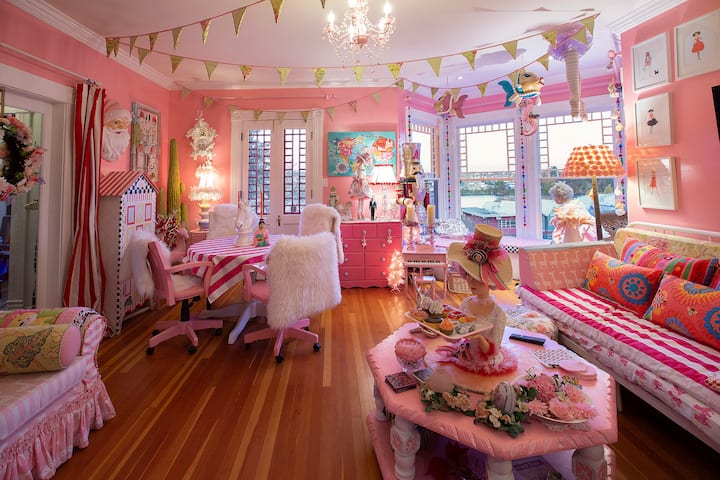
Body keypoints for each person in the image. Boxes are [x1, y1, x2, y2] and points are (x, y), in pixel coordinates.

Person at [436, 224, 517, 375]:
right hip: (465, 357)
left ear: (490, 281)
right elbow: (456, 336)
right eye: (468, 275)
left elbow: (493, 351)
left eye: (477, 278)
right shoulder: (466, 303)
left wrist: (479, 337)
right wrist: (443, 327)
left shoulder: (498, 314)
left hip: (487, 366)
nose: (470, 282)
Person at [348, 153, 373, 219]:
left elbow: (364, 175)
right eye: (360, 160)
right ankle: (359, 213)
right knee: (360, 199)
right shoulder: (358, 167)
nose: (361, 161)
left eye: (362, 160)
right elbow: (355, 174)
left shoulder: (363, 167)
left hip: (363, 183)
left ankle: (361, 213)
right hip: (359, 183)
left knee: (362, 199)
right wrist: (358, 179)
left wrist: (364, 178)